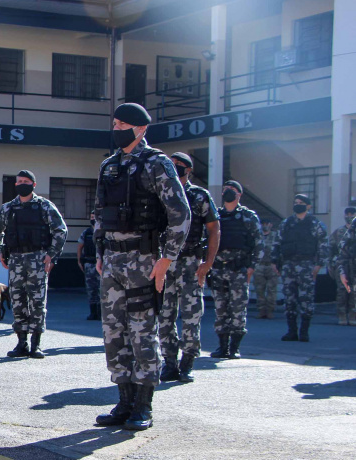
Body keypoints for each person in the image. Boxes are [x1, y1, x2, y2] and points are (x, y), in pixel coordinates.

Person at [93, 103, 190, 432]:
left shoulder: (156, 163)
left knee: (142, 333)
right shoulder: (109, 166)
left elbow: (181, 214)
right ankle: (123, 401)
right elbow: (99, 213)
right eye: (115, 122)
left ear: (140, 128)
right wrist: (99, 253)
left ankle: (143, 406)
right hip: (112, 262)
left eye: (122, 123)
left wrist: (167, 259)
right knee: (113, 334)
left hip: (144, 260)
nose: (116, 127)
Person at [158, 152, 220, 384]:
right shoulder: (160, 194)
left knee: (191, 315)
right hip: (166, 261)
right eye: (171, 165)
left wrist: (208, 263)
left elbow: (214, 230)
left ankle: (188, 362)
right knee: (165, 315)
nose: (174, 168)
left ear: (189, 170)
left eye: (179, 166)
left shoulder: (199, 195)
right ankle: (169, 362)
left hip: (191, 262)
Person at [0, 170, 67, 358]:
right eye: (19, 182)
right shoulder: (8, 208)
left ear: (34, 185)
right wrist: (0, 251)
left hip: (37, 259)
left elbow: (60, 230)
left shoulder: (44, 206)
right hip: (16, 259)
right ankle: (21, 343)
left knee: (37, 301)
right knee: (17, 301)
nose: (21, 184)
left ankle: (36, 344)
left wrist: (51, 254)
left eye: (26, 181)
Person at [208, 181, 263, 359]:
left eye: (231, 190)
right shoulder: (215, 215)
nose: (227, 193)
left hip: (239, 269)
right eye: (225, 190)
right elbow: (206, 240)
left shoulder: (248, 216)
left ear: (239, 194)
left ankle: (234, 348)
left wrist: (252, 267)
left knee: (238, 308)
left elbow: (258, 243)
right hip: (218, 269)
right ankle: (222, 347)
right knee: (220, 308)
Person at [272, 194, 329, 342]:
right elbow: (277, 243)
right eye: (296, 202)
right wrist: (275, 261)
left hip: (306, 265)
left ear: (308, 206)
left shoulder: (314, 223)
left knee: (306, 298)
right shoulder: (287, 223)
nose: (298, 205)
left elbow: (323, 244)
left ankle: (304, 332)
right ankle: (291, 331)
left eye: (301, 203)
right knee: (289, 298)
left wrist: (318, 265)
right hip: (288, 265)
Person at [329, 207, 355, 325]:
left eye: (352, 214)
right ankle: (342, 315)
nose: (349, 216)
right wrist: (330, 264)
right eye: (347, 214)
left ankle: (353, 315)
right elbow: (331, 249)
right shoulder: (338, 232)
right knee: (341, 290)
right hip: (342, 265)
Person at [77, 211, 101, 320]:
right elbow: (80, 246)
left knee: (101, 289)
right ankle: (93, 313)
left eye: (94, 217)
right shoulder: (86, 232)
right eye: (91, 217)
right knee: (91, 289)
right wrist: (79, 261)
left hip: (100, 264)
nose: (92, 219)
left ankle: (100, 313)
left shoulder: (102, 231)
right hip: (89, 263)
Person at [253, 219, 278, 319]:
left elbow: (279, 250)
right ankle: (261, 310)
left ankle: (270, 310)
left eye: (267, 223)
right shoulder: (257, 236)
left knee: (272, 290)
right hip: (259, 265)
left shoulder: (275, 236)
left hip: (272, 265)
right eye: (263, 224)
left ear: (271, 225)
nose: (265, 225)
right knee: (259, 289)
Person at [338, 221, 356, 325]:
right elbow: (342, 251)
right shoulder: (350, 234)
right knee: (343, 291)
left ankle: (353, 315)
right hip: (349, 266)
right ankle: (343, 315)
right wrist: (341, 270)